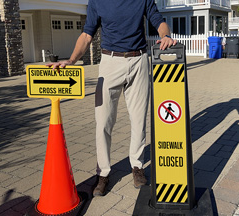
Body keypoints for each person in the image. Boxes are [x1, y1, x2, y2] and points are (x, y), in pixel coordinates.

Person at [47, 0, 177, 197]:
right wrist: (72, 60)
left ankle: (137, 166)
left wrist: (165, 35)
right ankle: (103, 173)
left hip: (139, 62)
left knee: (139, 119)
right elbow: (87, 34)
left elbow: (158, 20)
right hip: (109, 63)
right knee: (103, 122)